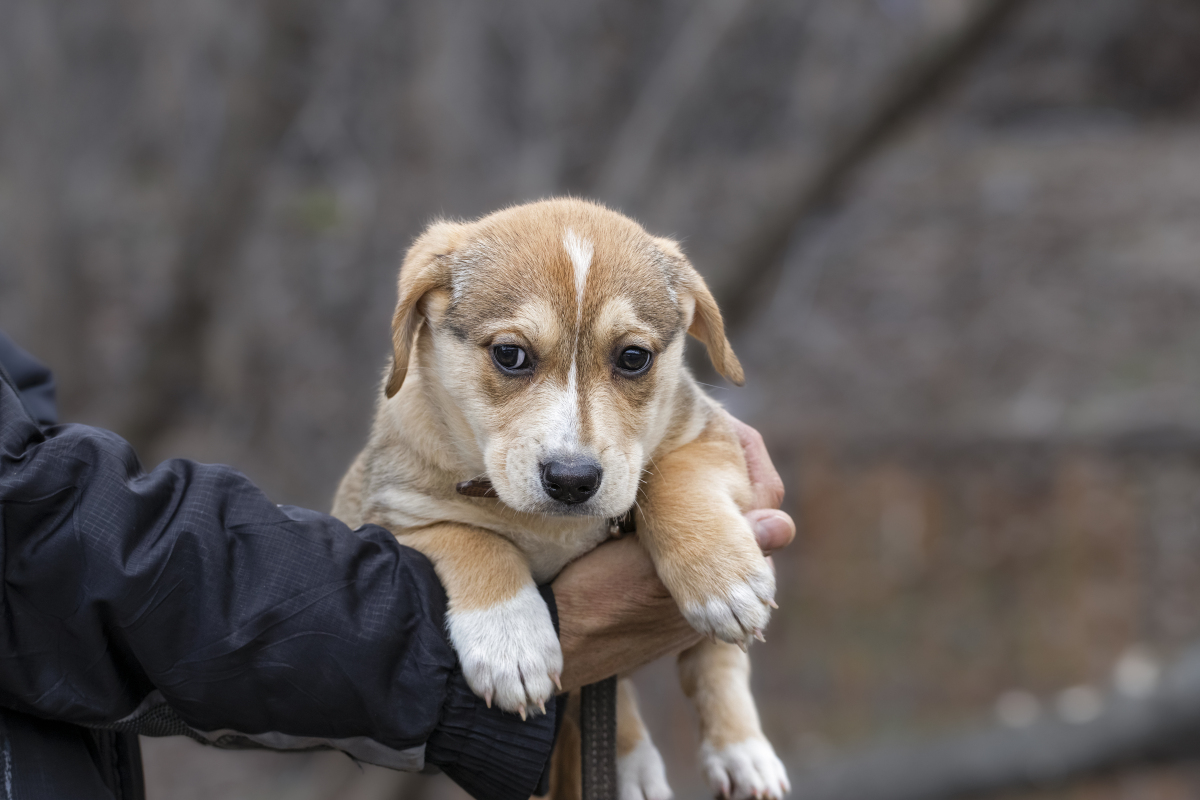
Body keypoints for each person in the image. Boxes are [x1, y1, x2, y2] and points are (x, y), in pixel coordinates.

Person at [0, 332, 795, 800]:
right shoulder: (427, 432)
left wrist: (692, 522)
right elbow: (38, 536)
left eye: (631, 358)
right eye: (513, 355)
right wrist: (444, 641)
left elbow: (37, 486)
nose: (571, 439)